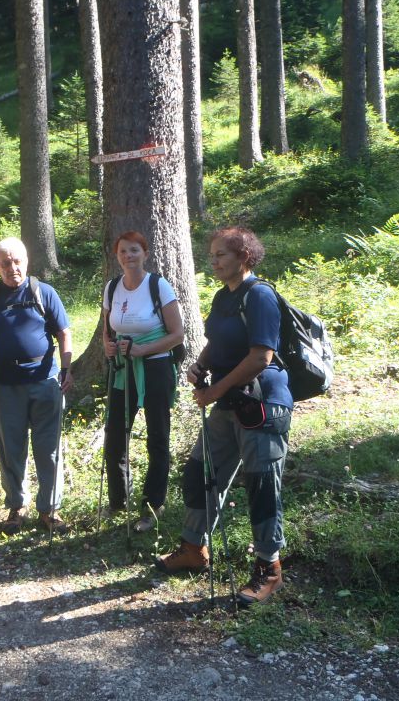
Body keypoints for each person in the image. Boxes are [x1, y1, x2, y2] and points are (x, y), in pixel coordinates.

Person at [155, 226, 293, 605]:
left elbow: (261, 356)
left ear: (244, 256)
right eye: (212, 254)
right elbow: (217, 342)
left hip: (263, 404)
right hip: (230, 403)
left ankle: (270, 569)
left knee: (263, 484)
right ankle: (194, 549)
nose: (213, 261)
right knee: (200, 470)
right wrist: (199, 366)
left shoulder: (261, 295)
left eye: (221, 255)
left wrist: (214, 390)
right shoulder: (223, 297)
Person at [0, 237, 75, 535]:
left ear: (26, 261)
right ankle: (17, 506)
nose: (11, 267)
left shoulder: (44, 292)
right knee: (11, 448)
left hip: (45, 381)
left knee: (49, 448)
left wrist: (66, 369)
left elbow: (64, 333)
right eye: (5, 263)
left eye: (16, 261)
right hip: (6, 385)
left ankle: (50, 509)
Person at [101, 231, 184, 532]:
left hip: (156, 369)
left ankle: (152, 505)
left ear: (145, 253)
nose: (128, 256)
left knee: (157, 437)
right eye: (123, 251)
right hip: (123, 369)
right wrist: (108, 346)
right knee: (114, 436)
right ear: (117, 255)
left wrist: (143, 349)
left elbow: (177, 334)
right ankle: (118, 501)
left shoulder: (157, 285)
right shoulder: (112, 288)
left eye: (134, 250)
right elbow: (107, 331)